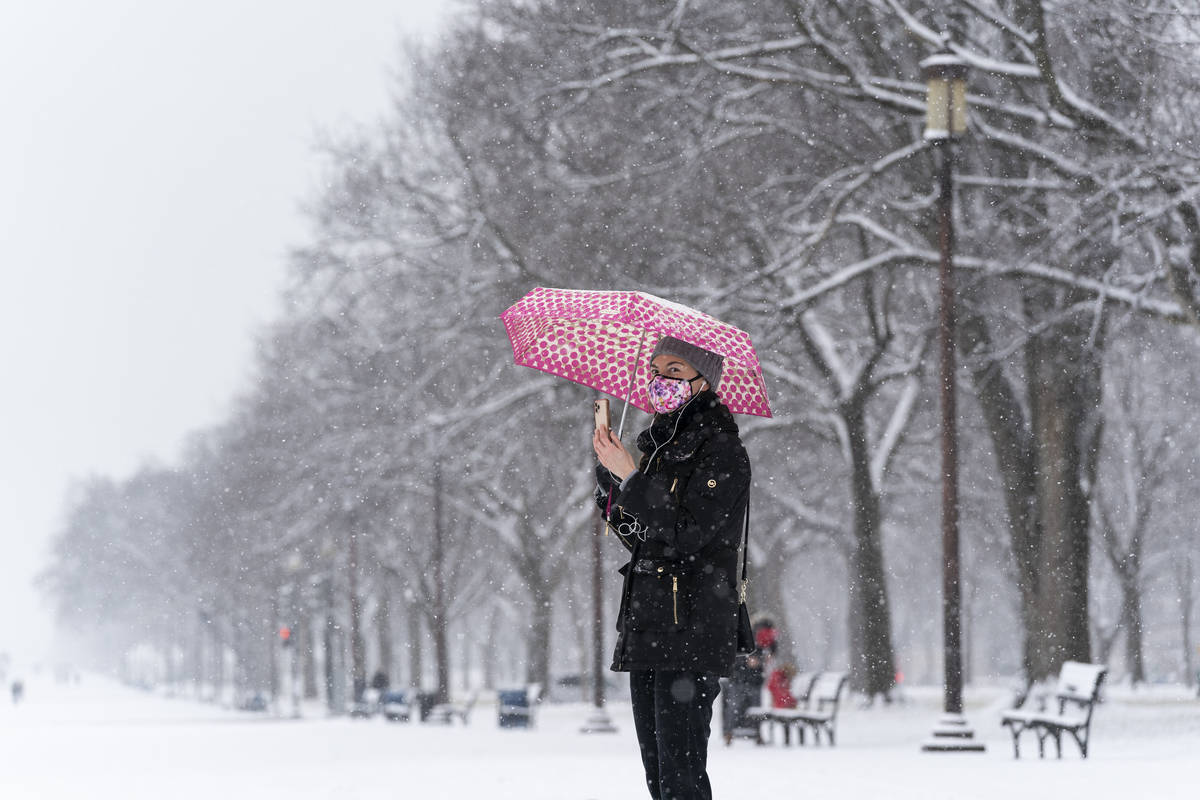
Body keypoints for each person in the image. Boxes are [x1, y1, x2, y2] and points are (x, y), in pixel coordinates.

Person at [593, 336, 752, 800]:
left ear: (704, 383)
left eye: (676, 371)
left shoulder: (722, 451)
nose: (661, 380)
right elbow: (645, 541)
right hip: (650, 625)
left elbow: (688, 535)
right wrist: (612, 482)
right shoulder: (662, 450)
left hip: (693, 628)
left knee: (682, 778)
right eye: (657, 369)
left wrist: (632, 478)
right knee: (659, 776)